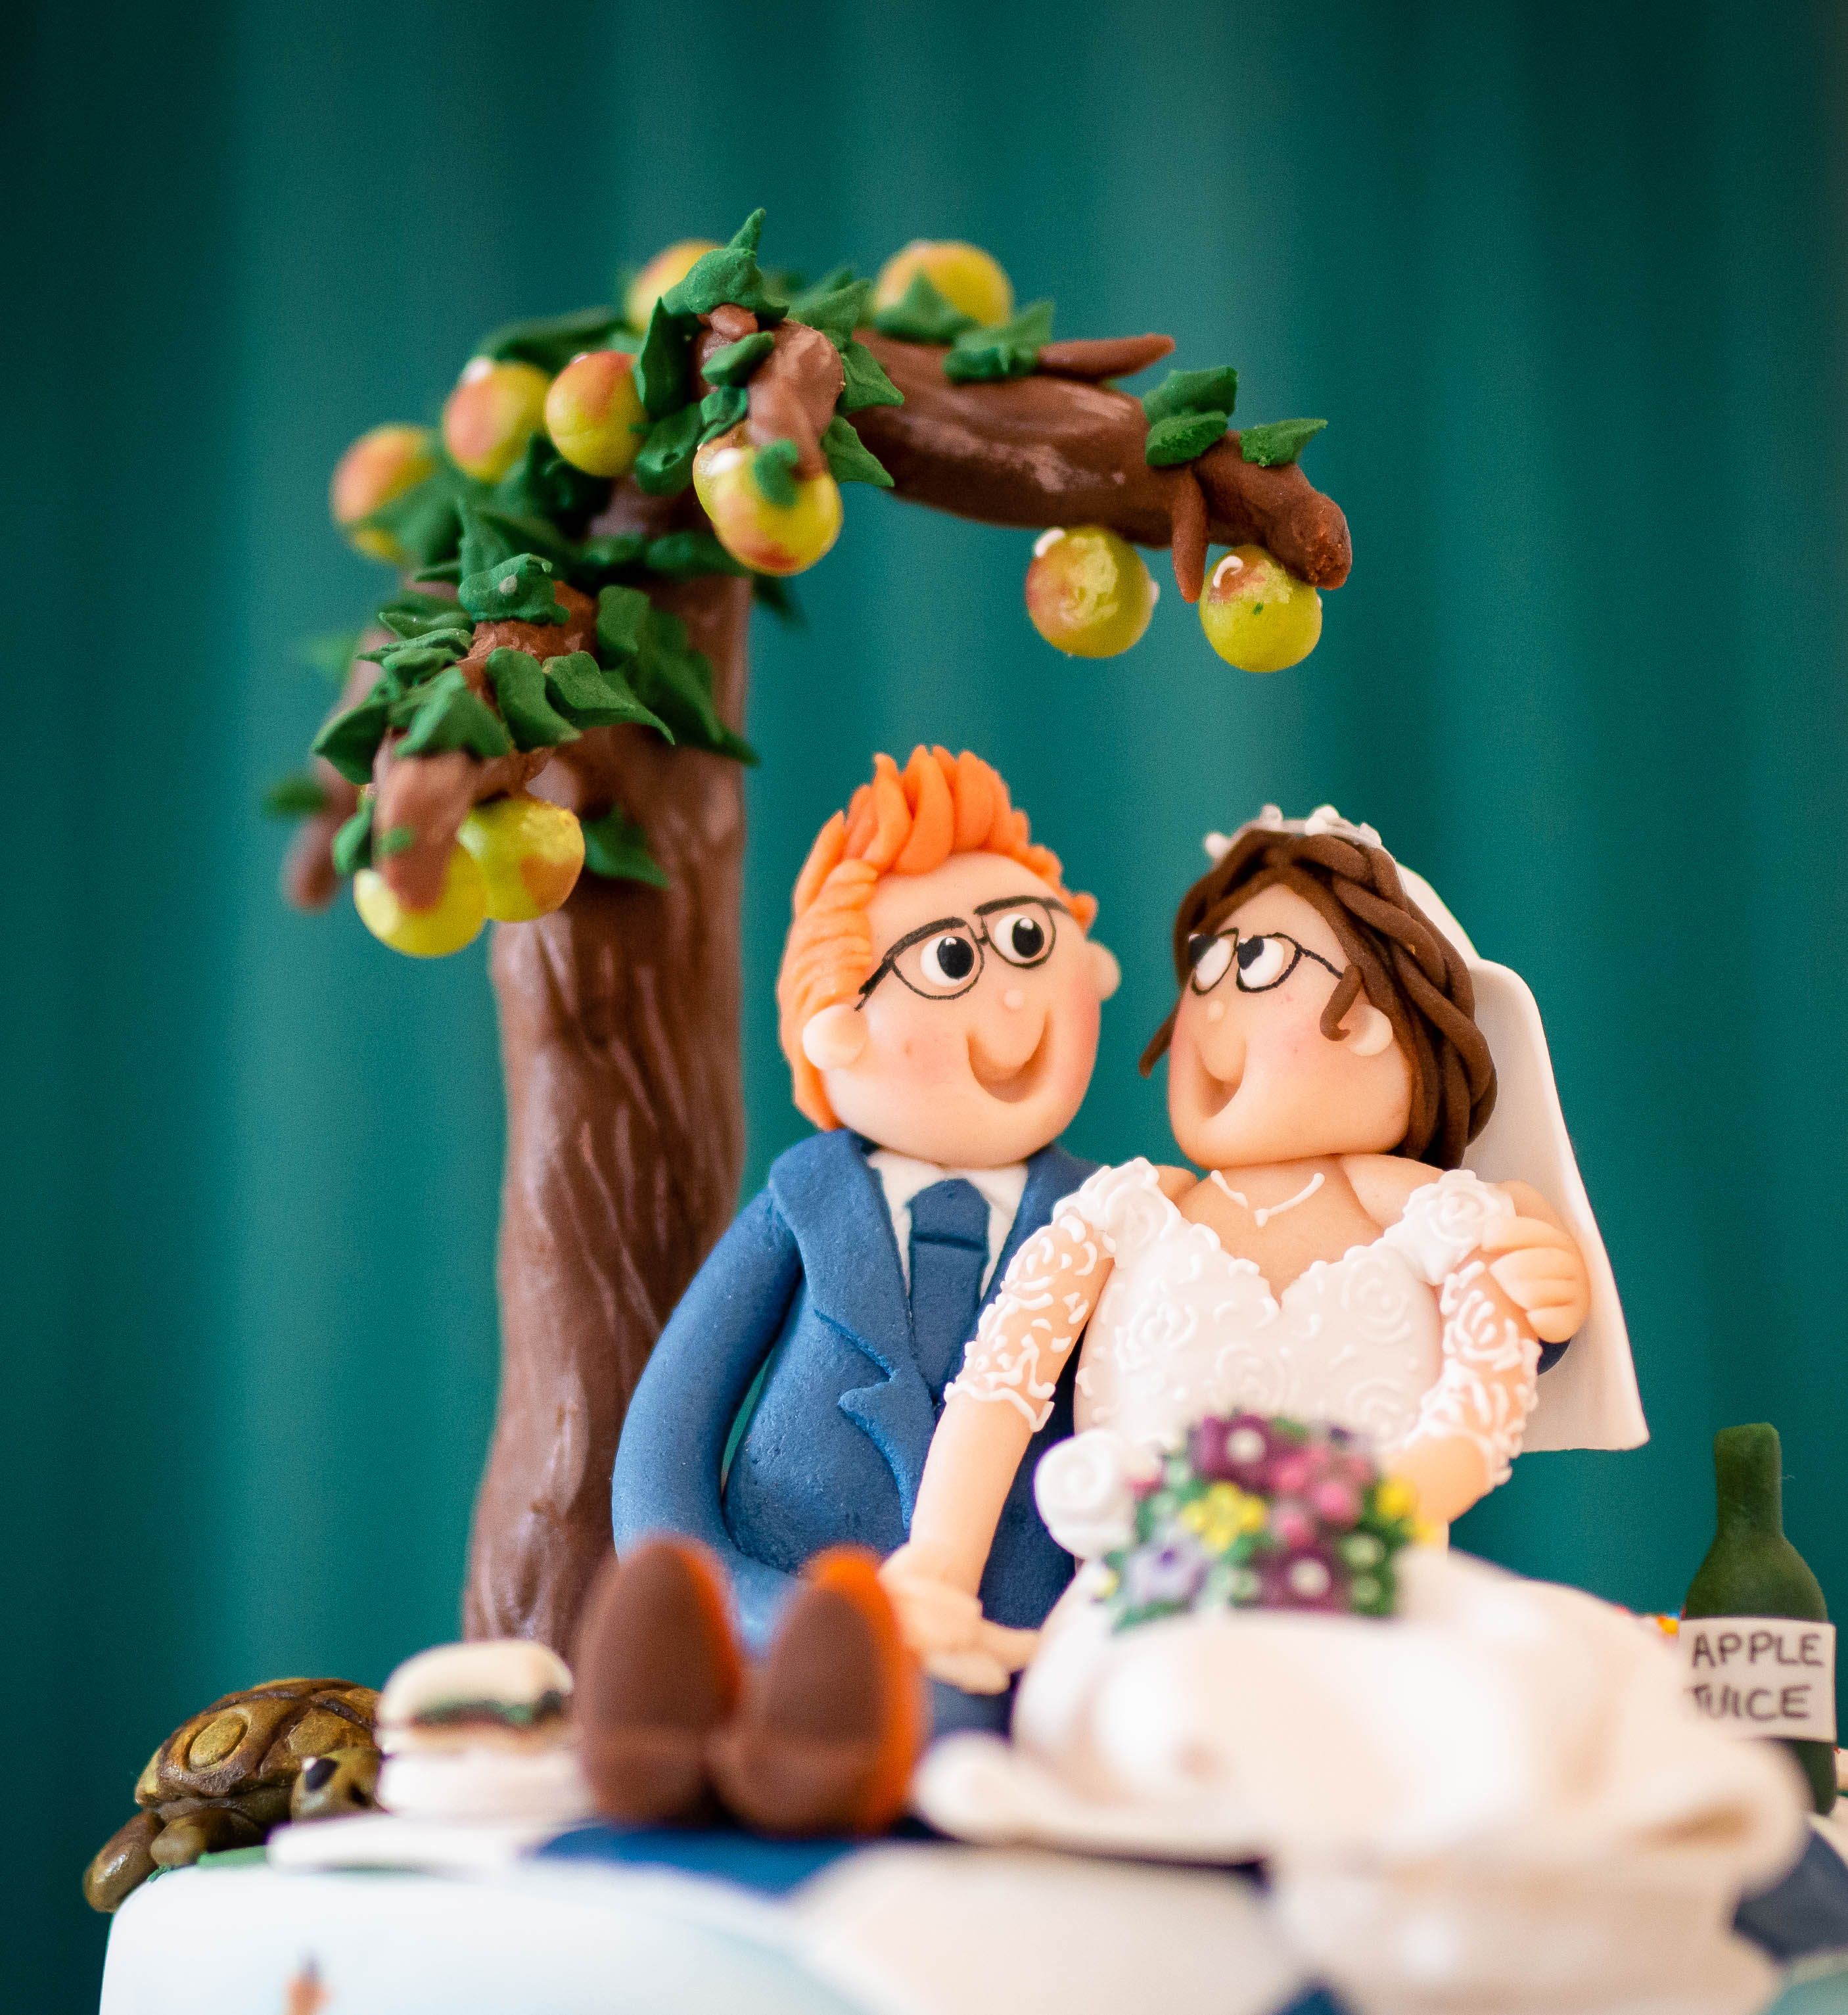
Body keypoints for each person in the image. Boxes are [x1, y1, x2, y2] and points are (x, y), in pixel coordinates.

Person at [880, 804, 1644, 1698]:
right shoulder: (1125, 1210)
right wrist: (939, 1561)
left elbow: (1475, 1421)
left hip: (1368, 1635)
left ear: (1378, 1015)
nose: (1209, 1006)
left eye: (1257, 965)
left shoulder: (1443, 1221)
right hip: (1138, 1639)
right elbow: (997, 1387)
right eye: (1207, 965)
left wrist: (1338, 1524)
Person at [591, 747, 1119, 1829]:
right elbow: (668, 1434)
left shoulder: (1114, 1218)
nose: (1011, 992)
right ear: (834, 1024)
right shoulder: (803, 1200)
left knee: (931, 1744)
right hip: (782, 1623)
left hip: (1011, 1656)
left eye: (1030, 941)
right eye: (953, 959)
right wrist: (733, 1597)